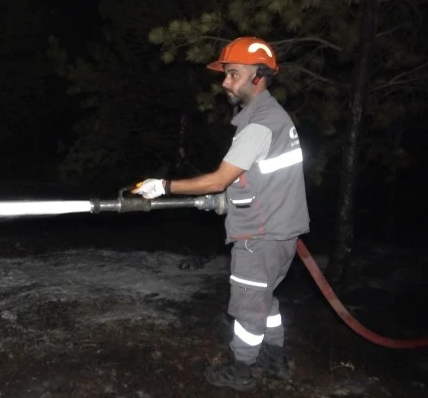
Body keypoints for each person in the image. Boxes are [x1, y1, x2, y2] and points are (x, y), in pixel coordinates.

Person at [132, 36, 310, 392]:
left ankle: (240, 372)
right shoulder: (274, 118)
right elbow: (261, 179)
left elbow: (218, 179)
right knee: (265, 299)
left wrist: (164, 186)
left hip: (259, 238)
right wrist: (228, 201)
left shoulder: (260, 124)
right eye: (225, 75)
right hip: (281, 232)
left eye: (233, 75)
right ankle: (274, 360)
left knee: (246, 310)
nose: (225, 83)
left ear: (258, 76)